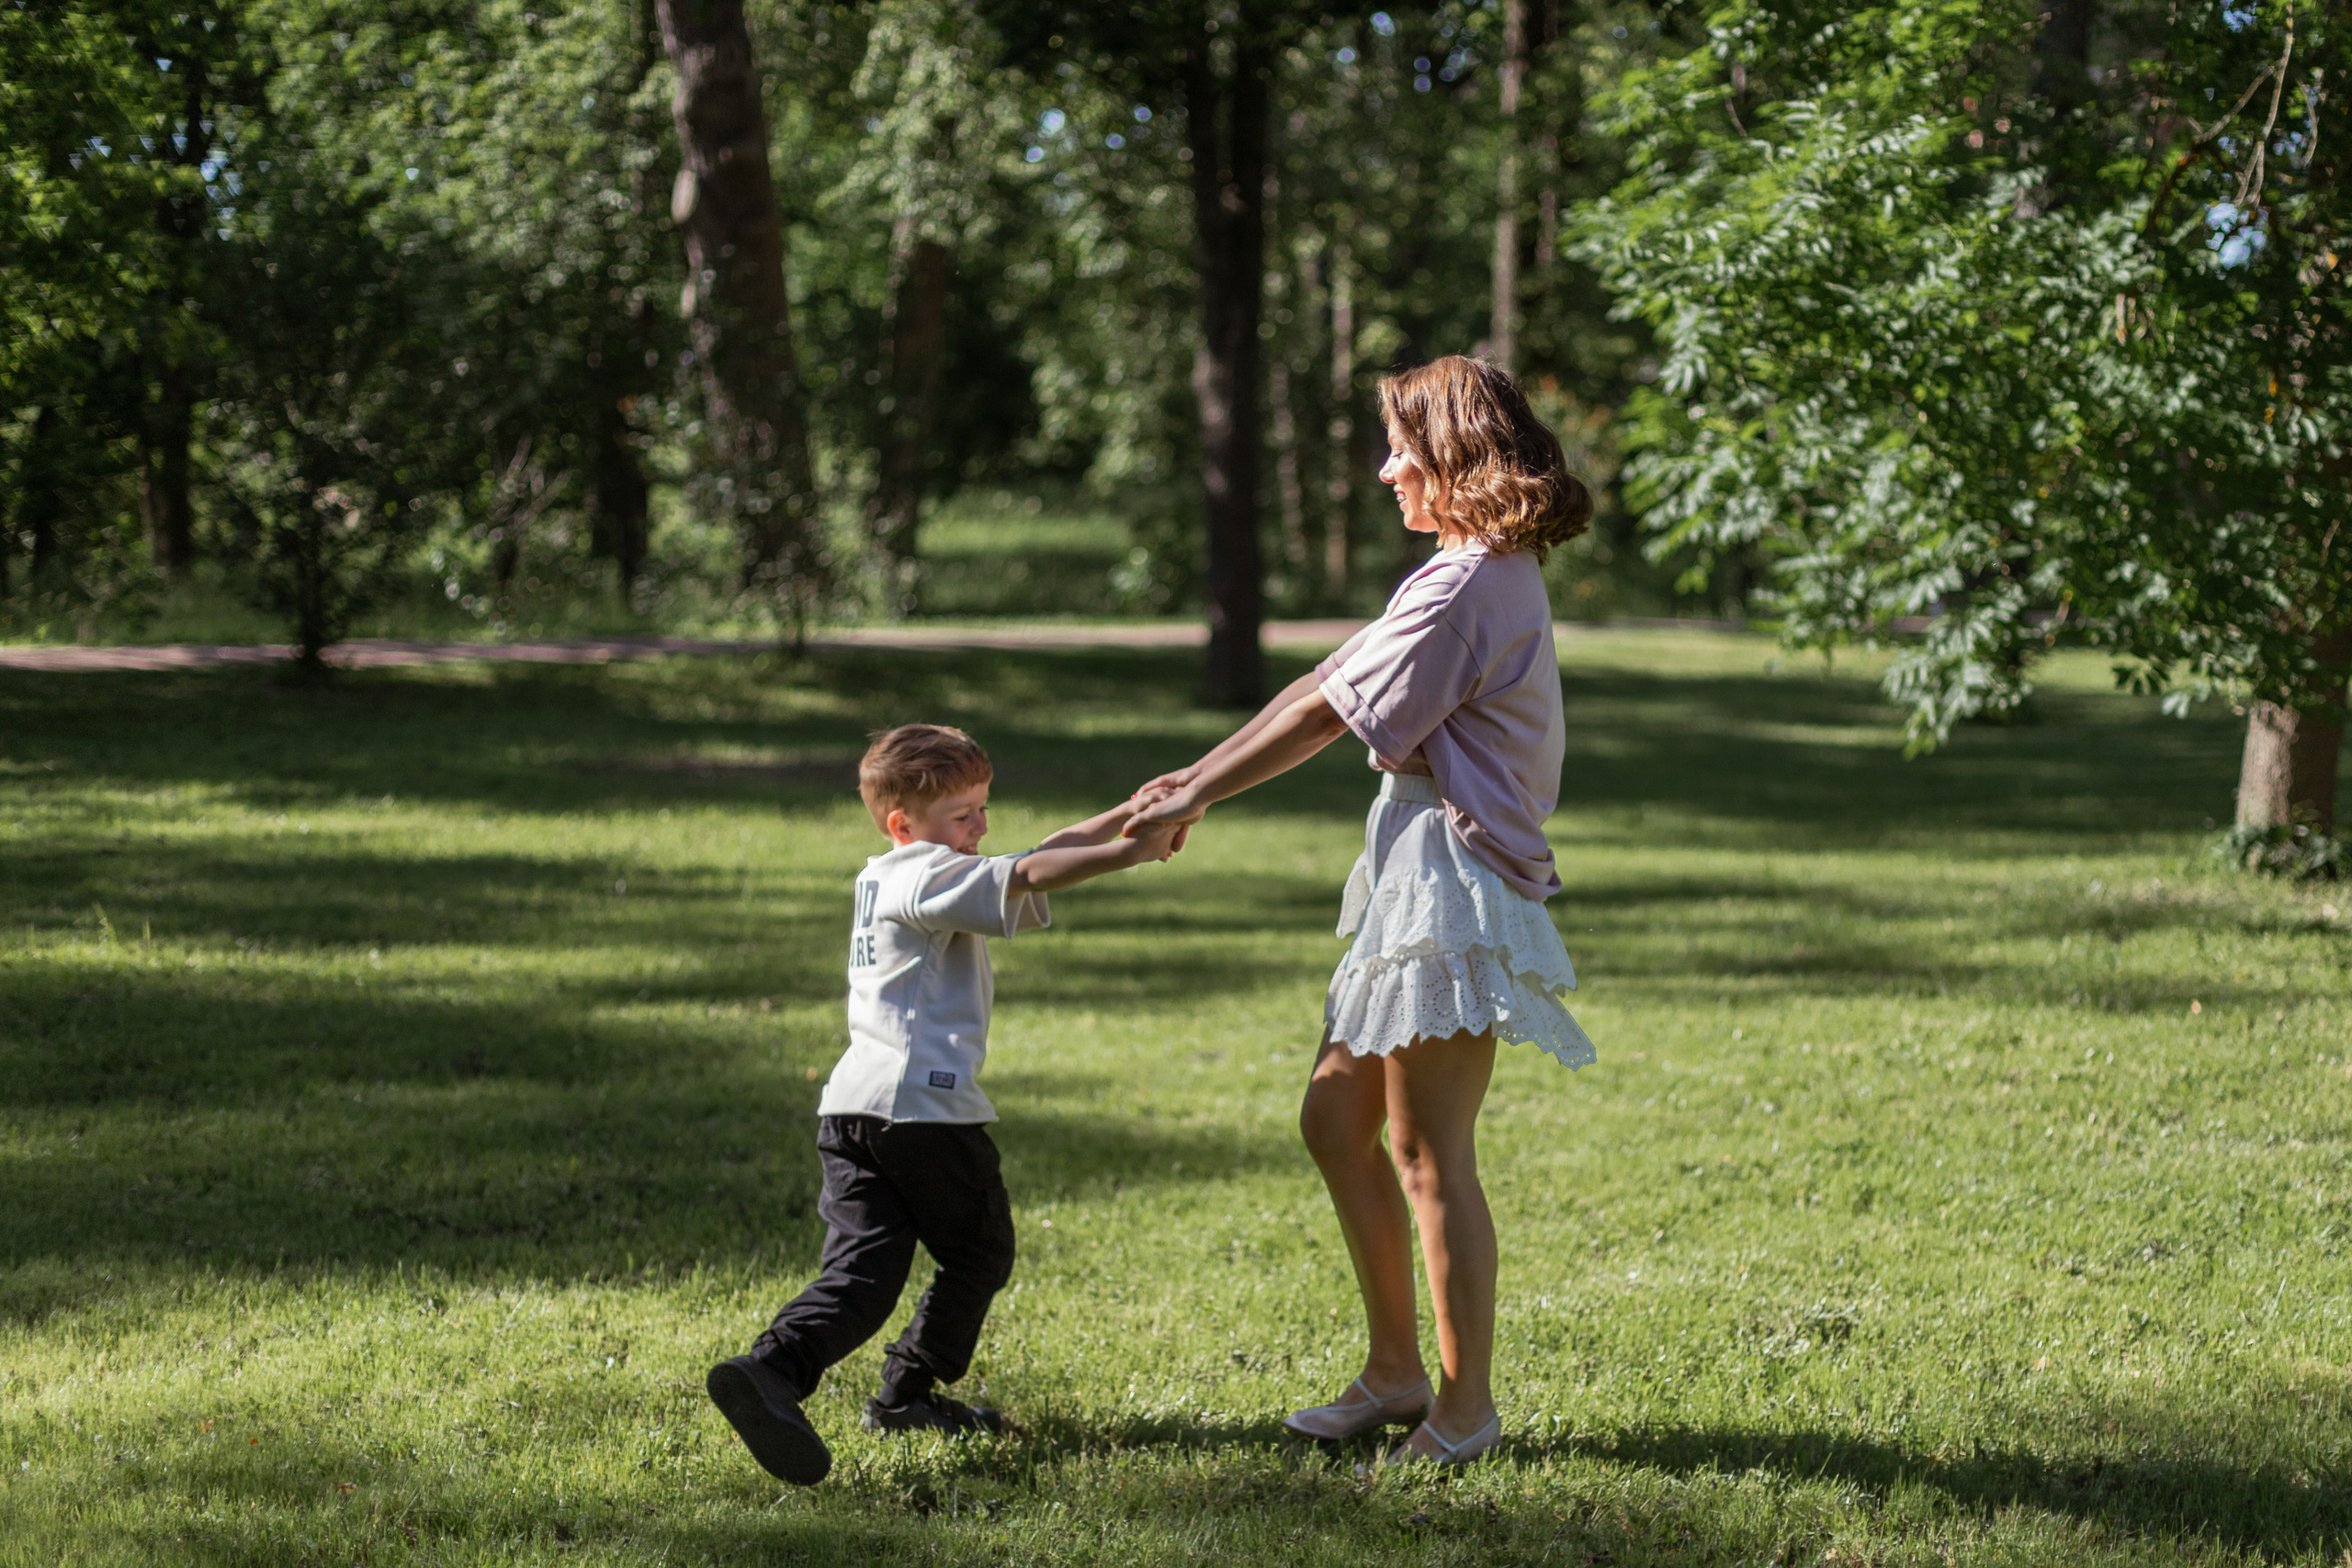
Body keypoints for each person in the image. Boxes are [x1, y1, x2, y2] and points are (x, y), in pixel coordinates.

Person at [1129, 355, 1595, 1467]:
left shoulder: (1470, 585)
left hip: (1452, 885)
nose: (1387, 469)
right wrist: (1181, 782)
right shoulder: (1458, 572)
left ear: (1456, 455)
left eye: (1403, 448)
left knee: (1428, 1150)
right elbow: (1320, 685)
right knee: (1338, 1119)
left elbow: (1328, 720)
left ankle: (1463, 1406)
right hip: (1414, 877)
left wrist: (1195, 793)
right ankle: (1394, 1374)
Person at [707, 723, 1178, 1486]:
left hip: (853, 1108)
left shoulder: (890, 873)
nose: (982, 826)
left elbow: (1028, 855)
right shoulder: (924, 876)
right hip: (921, 1110)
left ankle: (769, 1370)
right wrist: (1130, 851)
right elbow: (1028, 873)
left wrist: (1121, 814)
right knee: (979, 1250)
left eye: (983, 808)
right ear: (905, 824)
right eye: (966, 814)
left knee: (865, 1269)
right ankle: (907, 1395)